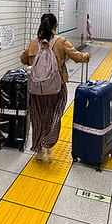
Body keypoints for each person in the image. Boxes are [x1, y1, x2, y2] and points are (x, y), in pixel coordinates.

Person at [20, 12, 90, 163]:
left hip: (36, 89)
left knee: (37, 118)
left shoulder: (33, 42)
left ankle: (38, 149)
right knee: (54, 116)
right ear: (55, 26)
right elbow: (78, 57)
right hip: (56, 88)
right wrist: (87, 56)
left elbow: (23, 59)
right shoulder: (60, 41)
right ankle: (47, 144)